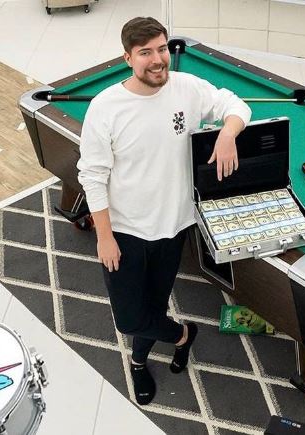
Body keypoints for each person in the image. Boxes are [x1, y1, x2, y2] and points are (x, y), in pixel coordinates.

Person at [77, 16, 251, 405]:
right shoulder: (105, 107)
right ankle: (183, 335)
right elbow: (92, 176)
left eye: (161, 49)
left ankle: (139, 362)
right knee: (129, 318)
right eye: (145, 53)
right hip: (124, 231)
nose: (157, 60)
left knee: (154, 305)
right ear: (128, 58)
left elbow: (235, 105)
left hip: (173, 227)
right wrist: (104, 237)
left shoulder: (187, 88)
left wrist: (227, 132)